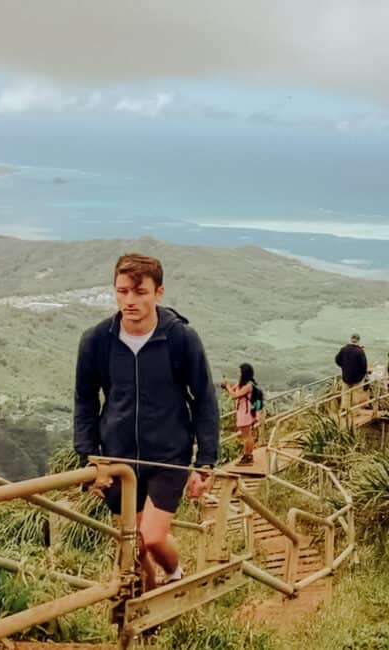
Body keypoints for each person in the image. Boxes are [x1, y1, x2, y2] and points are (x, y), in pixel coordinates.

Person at [74, 253, 219, 591]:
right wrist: (89, 456)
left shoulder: (180, 339)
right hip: (118, 457)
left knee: (151, 537)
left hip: (168, 455)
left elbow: (204, 400)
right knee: (133, 547)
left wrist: (206, 461)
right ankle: (147, 607)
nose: (129, 300)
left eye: (139, 292)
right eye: (122, 291)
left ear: (159, 292)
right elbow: (84, 401)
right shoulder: (96, 341)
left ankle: (175, 576)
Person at [223, 363, 259, 466]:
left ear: (244, 372)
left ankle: (248, 456)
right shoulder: (242, 383)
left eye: (239, 371)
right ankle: (246, 454)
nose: (237, 372)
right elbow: (232, 389)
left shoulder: (248, 385)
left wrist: (227, 386)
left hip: (245, 412)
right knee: (246, 435)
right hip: (242, 411)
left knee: (247, 436)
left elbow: (235, 395)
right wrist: (226, 386)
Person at [335, 333, 368, 414]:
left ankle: (344, 410)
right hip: (357, 378)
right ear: (358, 340)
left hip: (346, 376)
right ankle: (354, 411)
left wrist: (344, 367)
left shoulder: (344, 349)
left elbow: (337, 360)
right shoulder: (360, 351)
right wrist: (362, 374)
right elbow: (364, 366)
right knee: (356, 394)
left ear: (351, 339)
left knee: (345, 394)